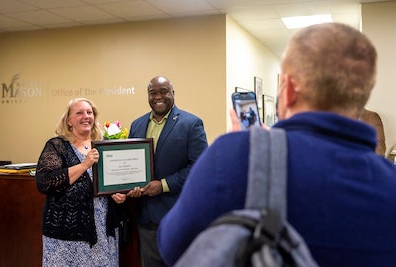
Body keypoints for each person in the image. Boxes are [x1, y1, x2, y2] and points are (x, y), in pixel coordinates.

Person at [157, 23, 396, 266]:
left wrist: (245, 149)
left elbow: (171, 246)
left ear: (289, 90)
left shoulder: (235, 156)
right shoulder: (390, 181)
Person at [125, 75, 208, 267]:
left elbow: (199, 168)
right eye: (153, 93)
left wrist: (163, 185)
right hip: (146, 217)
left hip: (177, 215)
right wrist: (130, 186)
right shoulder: (137, 125)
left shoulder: (191, 124)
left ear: (173, 93)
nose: (158, 97)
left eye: (163, 91)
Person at [36, 98, 126, 266]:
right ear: (69, 121)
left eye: (89, 112)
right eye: (79, 113)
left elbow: (111, 181)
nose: (86, 116)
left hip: (102, 230)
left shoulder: (104, 145)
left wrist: (117, 194)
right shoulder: (57, 145)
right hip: (67, 233)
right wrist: (85, 164)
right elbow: (45, 182)